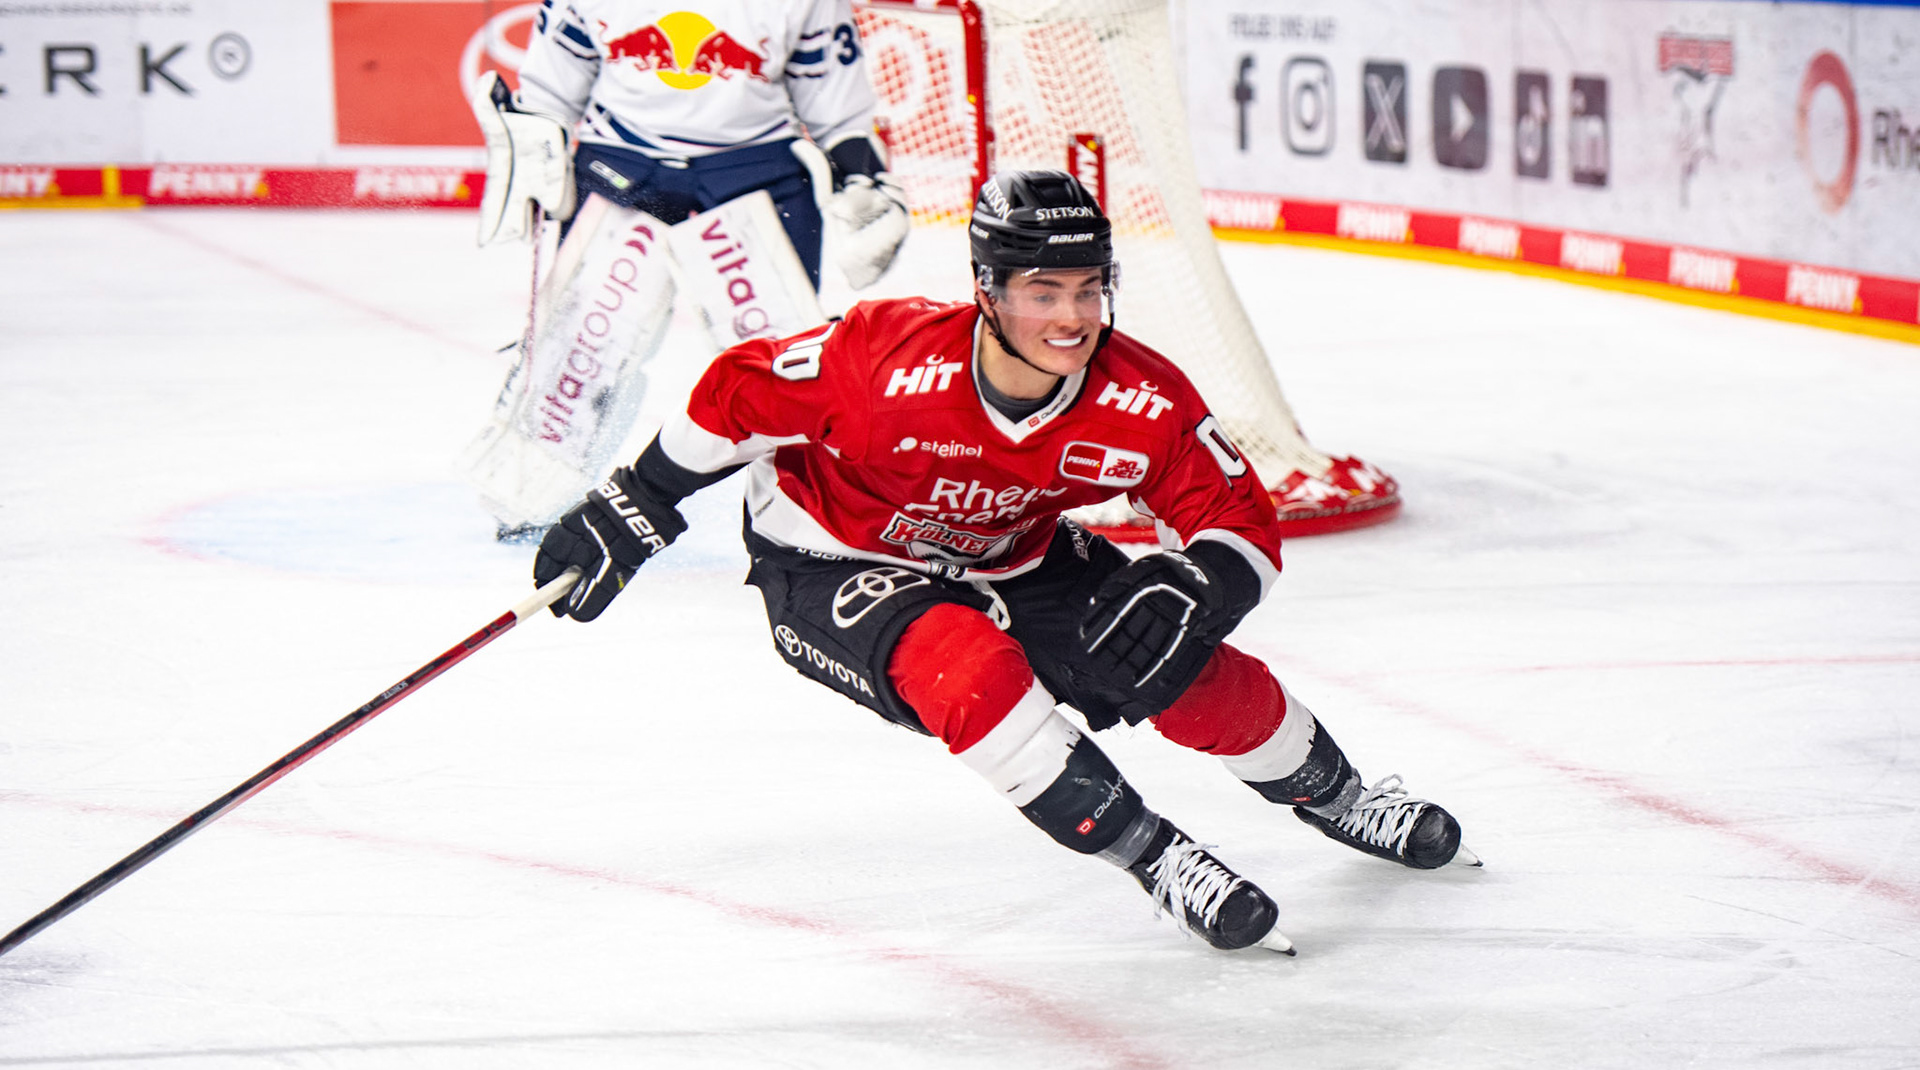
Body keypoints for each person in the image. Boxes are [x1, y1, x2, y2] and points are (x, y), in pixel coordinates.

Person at [531, 170, 1473, 954]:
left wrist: (1200, 581)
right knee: (974, 676)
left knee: (1180, 664)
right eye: (1041, 293)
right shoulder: (882, 360)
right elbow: (738, 393)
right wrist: (642, 497)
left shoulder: (1138, 395)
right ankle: (1157, 858)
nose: (1071, 319)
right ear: (987, 290)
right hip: (834, 556)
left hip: (1017, 554)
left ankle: (1342, 799)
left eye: (1087, 290)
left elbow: (1234, 514)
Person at [484, 0, 907, 290]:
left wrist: (865, 181)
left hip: (756, 167)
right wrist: (529, 154)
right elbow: (549, 93)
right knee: (577, 353)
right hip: (621, 162)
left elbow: (839, 111)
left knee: (777, 361)